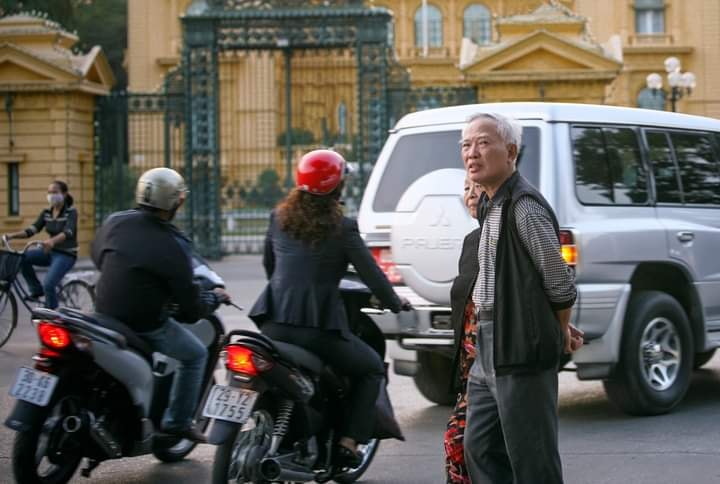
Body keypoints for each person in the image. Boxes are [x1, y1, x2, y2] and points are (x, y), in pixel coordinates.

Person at [249, 149, 408, 468]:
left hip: (272, 324)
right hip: (316, 330)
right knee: (371, 367)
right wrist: (395, 303)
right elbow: (372, 276)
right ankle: (348, 443)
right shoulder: (343, 227)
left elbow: (270, 265)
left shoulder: (278, 217)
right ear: (336, 187)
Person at [452, 112, 583, 484]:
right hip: (488, 347)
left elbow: (559, 280)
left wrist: (558, 330)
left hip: (520, 348)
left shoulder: (524, 207)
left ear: (510, 151)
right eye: (465, 145)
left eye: (482, 143)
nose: (471, 153)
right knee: (480, 447)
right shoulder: (492, 205)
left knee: (533, 457)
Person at [91, 167, 228, 443]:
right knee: (195, 355)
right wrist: (214, 298)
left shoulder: (115, 221)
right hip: (144, 324)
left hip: (104, 313)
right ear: (177, 201)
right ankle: (177, 423)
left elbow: (97, 256)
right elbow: (190, 309)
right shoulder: (173, 243)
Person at [444, 177, 483, 483]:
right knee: (457, 443)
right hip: (470, 365)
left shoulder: (510, 233)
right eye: (466, 187)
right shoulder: (471, 242)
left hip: (496, 361)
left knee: (466, 443)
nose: (470, 194)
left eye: (477, 187)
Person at [4, 180, 77, 309]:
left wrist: (52, 241)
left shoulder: (71, 212)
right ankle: (36, 289)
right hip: (49, 252)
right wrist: (11, 236)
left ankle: (53, 317)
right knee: (22, 258)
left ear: (64, 194)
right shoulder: (46, 213)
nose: (51, 195)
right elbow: (32, 230)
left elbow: (68, 231)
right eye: (49, 192)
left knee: (49, 284)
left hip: (66, 254)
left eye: (55, 192)